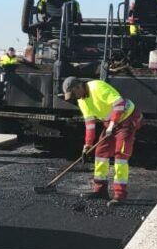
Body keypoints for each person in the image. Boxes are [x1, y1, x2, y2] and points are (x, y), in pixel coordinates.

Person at [61, 76, 142, 206]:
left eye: (74, 94)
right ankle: (100, 190)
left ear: (79, 86)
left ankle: (120, 195)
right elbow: (90, 124)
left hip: (127, 119)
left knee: (120, 156)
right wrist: (87, 145)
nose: (74, 97)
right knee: (100, 153)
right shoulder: (82, 101)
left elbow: (119, 103)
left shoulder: (97, 87)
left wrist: (112, 124)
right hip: (111, 123)